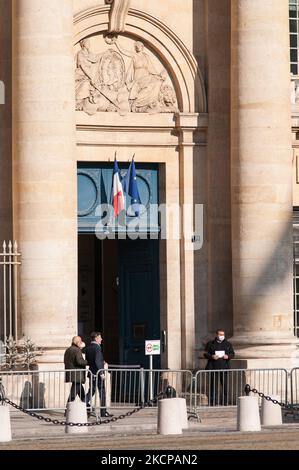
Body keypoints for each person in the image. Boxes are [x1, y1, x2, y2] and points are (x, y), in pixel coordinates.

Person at [204, 329, 235, 406]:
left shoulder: (228, 344)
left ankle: (224, 401)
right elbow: (205, 353)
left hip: (224, 367)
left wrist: (228, 356)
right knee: (213, 385)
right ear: (216, 335)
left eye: (222, 335)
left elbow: (232, 354)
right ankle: (213, 401)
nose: (221, 336)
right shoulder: (210, 344)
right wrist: (211, 356)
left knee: (224, 385)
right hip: (213, 367)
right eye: (220, 334)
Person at [85, 332, 112, 418]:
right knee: (102, 393)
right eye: (100, 338)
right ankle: (103, 412)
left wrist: (102, 361)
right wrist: (101, 373)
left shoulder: (88, 348)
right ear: (96, 338)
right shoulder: (97, 348)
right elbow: (97, 361)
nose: (101, 339)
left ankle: (82, 404)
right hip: (97, 374)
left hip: (91, 373)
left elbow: (89, 360)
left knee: (91, 391)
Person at [64, 336, 87, 404]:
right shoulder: (77, 350)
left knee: (81, 392)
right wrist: (88, 362)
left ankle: (88, 407)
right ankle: (67, 409)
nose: (81, 342)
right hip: (77, 375)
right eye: (80, 341)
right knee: (73, 394)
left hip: (72, 374)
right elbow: (80, 361)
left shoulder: (68, 349)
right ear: (77, 342)